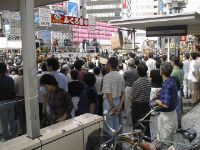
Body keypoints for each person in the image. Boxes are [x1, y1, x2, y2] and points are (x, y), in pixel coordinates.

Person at [155, 62, 178, 140]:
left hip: (166, 117)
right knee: (172, 140)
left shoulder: (166, 84)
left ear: (161, 71)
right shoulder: (172, 80)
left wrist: (157, 101)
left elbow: (166, 104)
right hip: (173, 114)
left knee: (165, 142)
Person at [102, 57, 125, 132]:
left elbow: (108, 94)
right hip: (118, 101)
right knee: (116, 125)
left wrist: (112, 106)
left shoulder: (106, 77)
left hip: (109, 103)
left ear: (108, 65)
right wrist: (120, 106)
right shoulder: (121, 76)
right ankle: (117, 142)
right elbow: (123, 93)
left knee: (108, 126)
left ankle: (110, 142)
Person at [130, 62, 151, 137]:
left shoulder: (136, 83)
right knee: (146, 127)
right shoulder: (149, 81)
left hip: (138, 107)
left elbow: (133, 97)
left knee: (137, 126)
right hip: (147, 106)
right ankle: (147, 143)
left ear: (138, 72)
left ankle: (138, 144)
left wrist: (131, 104)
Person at [0, 61, 16, 140]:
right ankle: (13, 135)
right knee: (12, 119)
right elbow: (13, 90)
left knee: (4, 122)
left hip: (2, 102)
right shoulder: (10, 79)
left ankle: (6, 137)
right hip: (12, 101)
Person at [149, 60, 162, 139]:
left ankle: (153, 112)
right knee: (159, 100)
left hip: (153, 87)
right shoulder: (161, 71)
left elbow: (150, 79)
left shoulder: (152, 71)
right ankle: (160, 111)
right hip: (160, 87)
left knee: (153, 100)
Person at [123, 59, 137, 125]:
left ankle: (129, 121)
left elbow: (124, 80)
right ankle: (135, 120)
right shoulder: (137, 71)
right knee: (134, 104)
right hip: (136, 88)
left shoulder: (126, 72)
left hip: (128, 88)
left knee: (128, 105)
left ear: (128, 64)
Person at [13, 68, 26, 135]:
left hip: (19, 98)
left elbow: (14, 90)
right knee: (26, 114)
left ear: (20, 72)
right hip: (27, 98)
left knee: (20, 115)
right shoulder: (28, 78)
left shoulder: (16, 79)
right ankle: (27, 128)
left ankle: (22, 130)